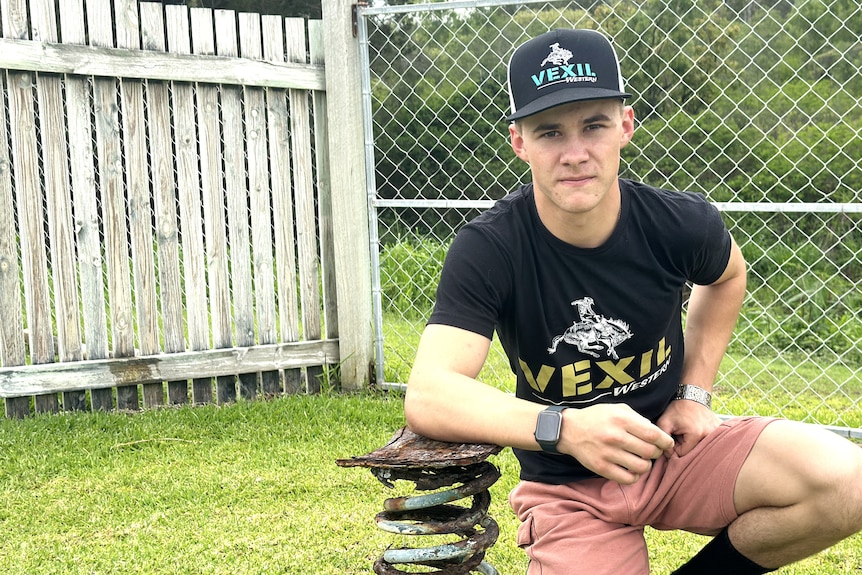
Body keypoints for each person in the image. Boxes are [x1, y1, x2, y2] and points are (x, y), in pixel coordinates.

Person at [404, 28, 862, 575]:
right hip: (567, 482)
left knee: (849, 483)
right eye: (550, 132)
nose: (575, 154)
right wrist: (566, 428)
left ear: (625, 125)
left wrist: (694, 394)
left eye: (593, 125)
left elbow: (727, 278)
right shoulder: (492, 247)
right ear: (520, 142)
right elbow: (431, 394)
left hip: (671, 450)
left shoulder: (678, 224)